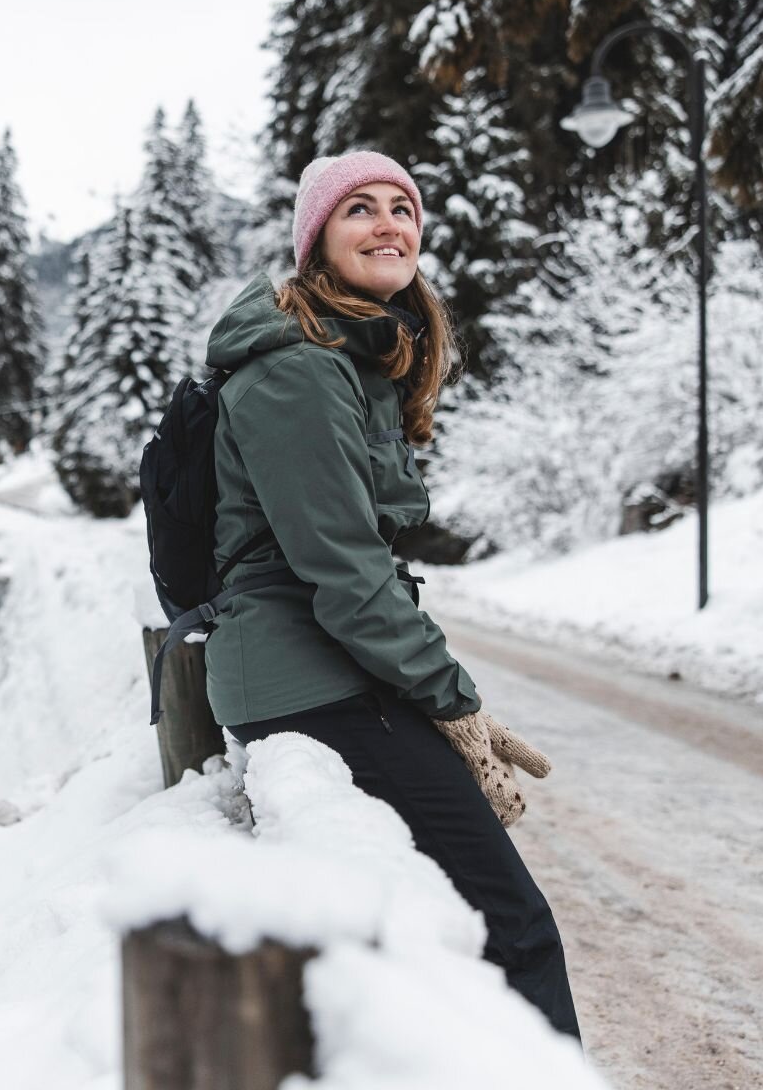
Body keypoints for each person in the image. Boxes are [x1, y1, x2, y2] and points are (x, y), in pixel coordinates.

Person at [203, 148, 583, 1045]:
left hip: (326, 673)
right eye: (359, 210)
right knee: (514, 925)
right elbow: (344, 571)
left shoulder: (350, 356)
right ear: (316, 243)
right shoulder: (298, 370)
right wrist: (455, 704)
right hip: (308, 681)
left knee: (480, 919)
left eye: (403, 208)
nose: (389, 225)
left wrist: (446, 699)